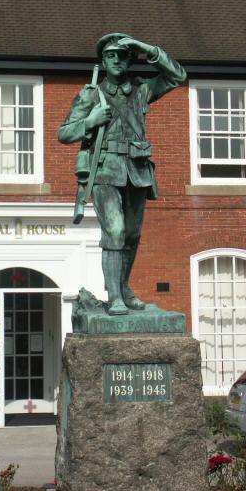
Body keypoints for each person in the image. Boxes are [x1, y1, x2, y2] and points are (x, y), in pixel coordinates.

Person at [59, 33, 186, 315]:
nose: (117, 60)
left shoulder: (141, 90)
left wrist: (145, 47)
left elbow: (177, 76)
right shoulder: (91, 94)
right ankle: (114, 295)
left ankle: (125, 289)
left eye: (123, 55)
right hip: (105, 169)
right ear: (103, 61)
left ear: (129, 60)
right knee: (115, 232)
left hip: (137, 168)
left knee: (132, 234)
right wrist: (90, 121)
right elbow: (64, 133)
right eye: (111, 55)